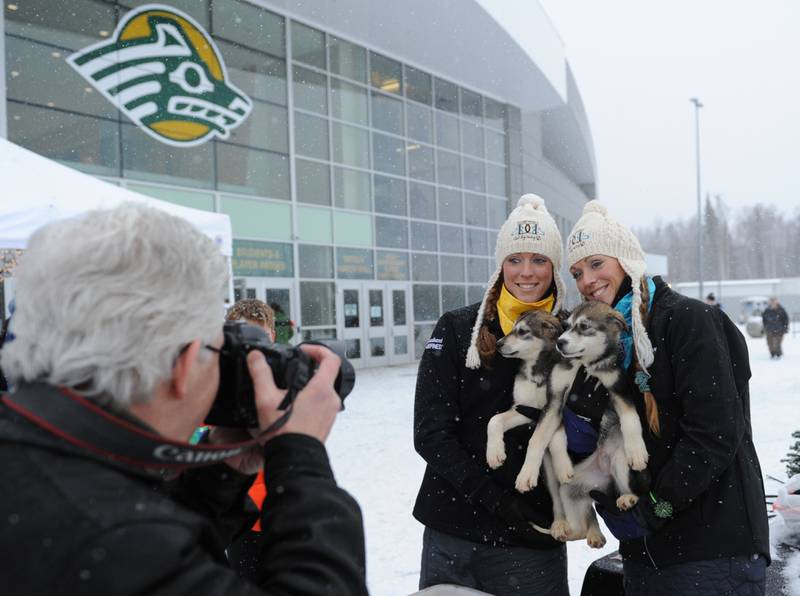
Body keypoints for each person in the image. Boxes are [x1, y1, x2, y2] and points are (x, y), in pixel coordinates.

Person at [0, 204, 367, 595]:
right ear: (186, 364)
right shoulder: (112, 541)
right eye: (220, 349)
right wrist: (301, 458)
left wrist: (221, 471)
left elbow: (139, 521)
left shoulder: (40, 465)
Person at [565, 201, 769, 596]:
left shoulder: (685, 320)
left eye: (595, 264)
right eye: (576, 272)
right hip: (648, 559)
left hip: (712, 554)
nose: (586, 280)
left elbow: (715, 433)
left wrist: (656, 508)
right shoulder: (608, 347)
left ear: (626, 260)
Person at [413, 194, 570, 596]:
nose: (526, 272)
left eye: (539, 260)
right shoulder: (458, 328)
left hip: (531, 539)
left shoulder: (570, 336)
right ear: (501, 264)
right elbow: (431, 433)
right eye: (515, 259)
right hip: (453, 532)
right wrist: (497, 501)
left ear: (555, 268)